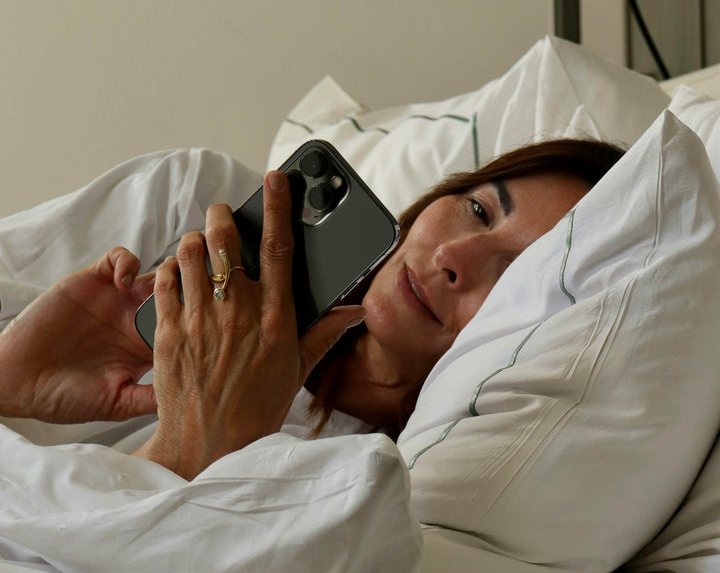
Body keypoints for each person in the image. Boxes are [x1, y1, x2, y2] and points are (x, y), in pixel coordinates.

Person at [0, 138, 623, 476]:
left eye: (516, 273)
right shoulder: (185, 202)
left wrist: (191, 449)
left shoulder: (366, 481)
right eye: (480, 209)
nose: (455, 255)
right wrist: (10, 379)